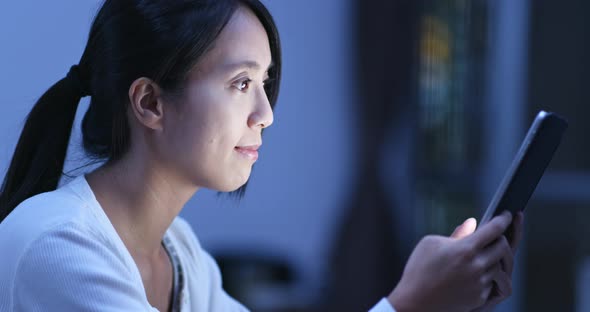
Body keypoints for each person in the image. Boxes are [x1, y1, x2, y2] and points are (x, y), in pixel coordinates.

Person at [0, 0, 523, 311]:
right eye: (241, 81)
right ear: (150, 102)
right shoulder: (58, 247)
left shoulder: (178, 252)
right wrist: (410, 304)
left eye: (265, 82)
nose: (266, 113)